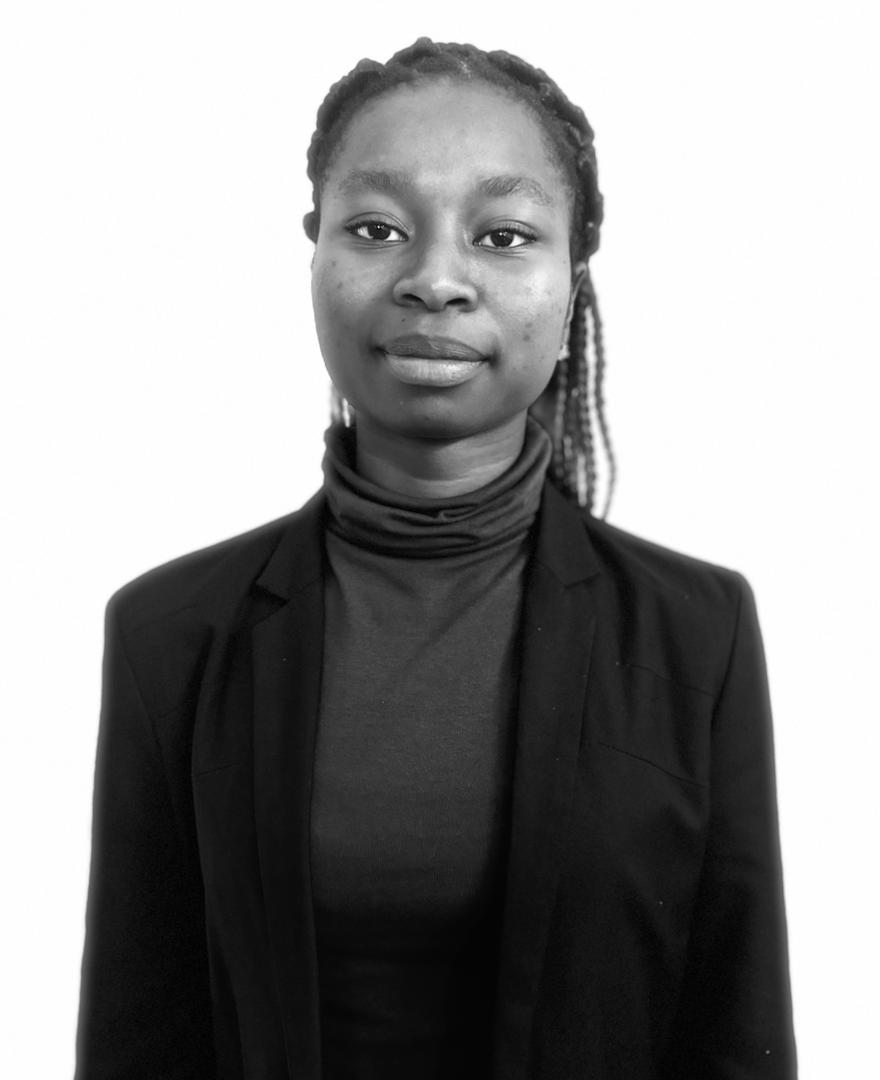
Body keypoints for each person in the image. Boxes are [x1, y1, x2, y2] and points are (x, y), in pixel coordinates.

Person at [75, 37, 797, 1080]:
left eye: (503, 236)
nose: (435, 279)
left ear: (571, 283)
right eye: (377, 228)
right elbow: (137, 1040)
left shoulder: (696, 633)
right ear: (314, 253)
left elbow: (736, 1034)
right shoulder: (170, 635)